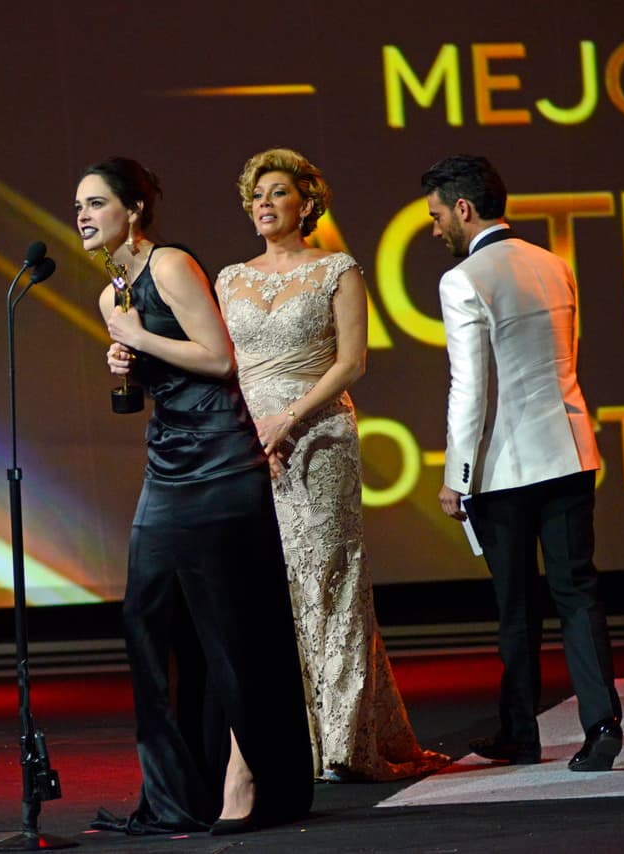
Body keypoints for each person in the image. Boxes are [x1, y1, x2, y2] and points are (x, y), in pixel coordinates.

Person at [74, 156, 313, 834]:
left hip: (221, 460)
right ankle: (177, 794)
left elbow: (218, 359)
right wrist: (128, 362)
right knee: (148, 619)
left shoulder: (172, 266)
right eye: (78, 206)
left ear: (135, 210)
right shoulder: (111, 293)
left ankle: (250, 777)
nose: (85, 216)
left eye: (97, 202)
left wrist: (140, 338)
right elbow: (160, 377)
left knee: (231, 629)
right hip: (169, 462)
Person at [215, 147, 450, 782]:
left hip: (317, 437)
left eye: (277, 193)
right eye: (256, 194)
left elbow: (352, 362)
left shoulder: (336, 269)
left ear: (306, 204)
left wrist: (287, 420)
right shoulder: (230, 278)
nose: (264, 203)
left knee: (330, 579)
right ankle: (288, 738)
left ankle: (344, 742)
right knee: (270, 589)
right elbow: (220, 363)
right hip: (247, 445)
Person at [421, 154, 624, 772]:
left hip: (504, 470)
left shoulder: (463, 279)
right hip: (567, 452)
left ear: (463, 208)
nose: (434, 231)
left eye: (435, 217)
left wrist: (457, 478)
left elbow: (471, 389)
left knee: (516, 605)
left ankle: (521, 732)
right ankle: (602, 722)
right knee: (577, 591)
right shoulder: (552, 263)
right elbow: (566, 360)